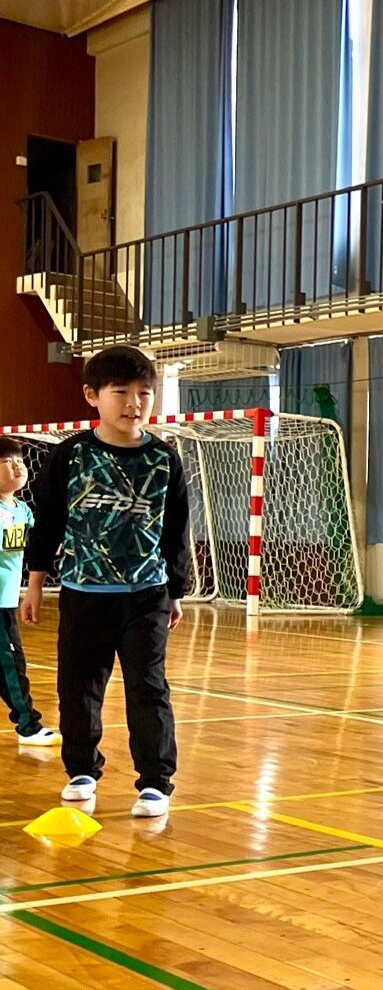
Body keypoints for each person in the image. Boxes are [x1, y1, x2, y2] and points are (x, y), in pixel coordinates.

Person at [21, 344, 191, 819]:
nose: (134, 403)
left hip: (147, 596)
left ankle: (155, 782)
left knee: (148, 688)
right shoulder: (71, 455)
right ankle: (81, 770)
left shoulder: (164, 459)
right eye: (121, 392)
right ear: (92, 395)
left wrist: (176, 591)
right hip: (83, 593)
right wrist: (34, 584)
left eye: (144, 393)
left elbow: (176, 530)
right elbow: (48, 522)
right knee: (78, 688)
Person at [0, 437, 59, 748]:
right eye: (7, 462)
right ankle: (28, 725)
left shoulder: (22, 510)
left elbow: (41, 543)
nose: (17, 466)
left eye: (20, 460)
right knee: (12, 664)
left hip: (7, 600)